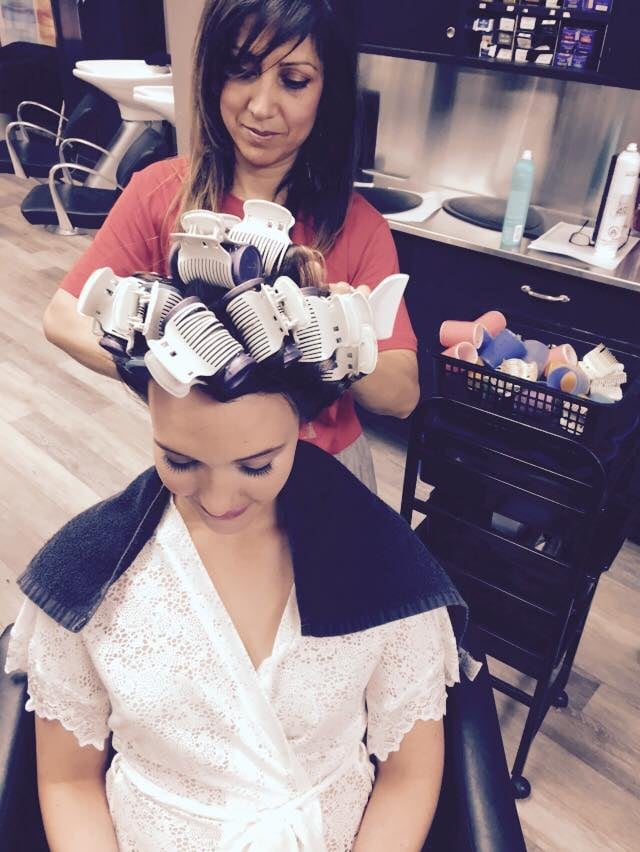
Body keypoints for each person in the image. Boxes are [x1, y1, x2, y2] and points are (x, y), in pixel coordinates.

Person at [6, 265, 466, 851]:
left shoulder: (383, 563)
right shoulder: (86, 576)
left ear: (302, 425)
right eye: (180, 461)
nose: (219, 500)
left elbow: (410, 774)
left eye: (257, 465)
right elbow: (69, 780)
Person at [41, 0, 420, 488]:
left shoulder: (360, 226)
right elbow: (63, 316)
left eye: (294, 80)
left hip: (326, 473)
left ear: (328, 92)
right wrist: (169, 369)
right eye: (242, 71)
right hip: (206, 469)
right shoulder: (161, 192)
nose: (261, 107)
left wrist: (337, 336)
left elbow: (402, 394)